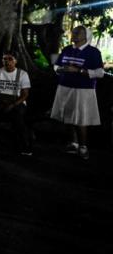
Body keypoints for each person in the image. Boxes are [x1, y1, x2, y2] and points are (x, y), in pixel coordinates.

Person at [51, 26, 104, 160]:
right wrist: (61, 69)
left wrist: (79, 71)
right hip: (64, 87)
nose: (73, 34)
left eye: (77, 32)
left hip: (83, 90)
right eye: (73, 32)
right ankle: (73, 143)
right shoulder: (67, 49)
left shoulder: (93, 52)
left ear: (86, 36)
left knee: (81, 118)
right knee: (67, 116)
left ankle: (83, 147)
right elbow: (56, 66)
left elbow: (100, 73)